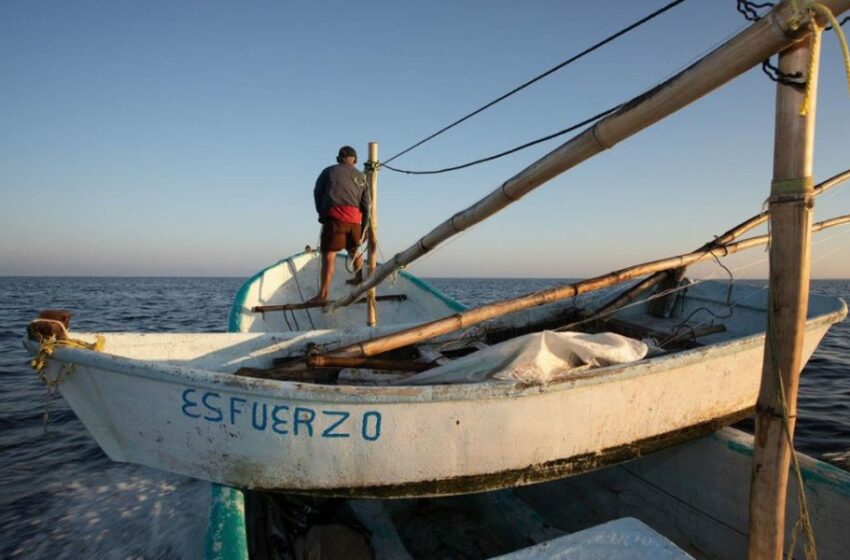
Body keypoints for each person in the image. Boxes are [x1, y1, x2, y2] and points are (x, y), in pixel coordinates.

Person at [307, 145, 370, 304]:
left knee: (329, 254)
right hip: (355, 221)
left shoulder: (328, 171)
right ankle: (358, 278)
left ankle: (323, 294)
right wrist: (364, 226)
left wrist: (321, 213)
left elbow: (317, 193)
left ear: (339, 158)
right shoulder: (361, 177)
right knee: (354, 250)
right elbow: (366, 203)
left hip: (335, 219)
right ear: (354, 160)